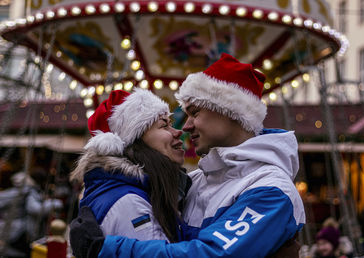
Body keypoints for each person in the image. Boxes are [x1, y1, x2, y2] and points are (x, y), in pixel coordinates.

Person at [70, 53, 305, 257]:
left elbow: (207, 254)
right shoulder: (196, 181)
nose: (186, 126)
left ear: (231, 111)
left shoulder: (272, 190)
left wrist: (106, 249)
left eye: (195, 113)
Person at [69, 89, 191, 244]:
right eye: (164, 125)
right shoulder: (130, 204)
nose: (178, 132)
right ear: (135, 142)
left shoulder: (136, 191)